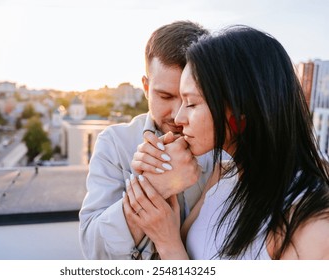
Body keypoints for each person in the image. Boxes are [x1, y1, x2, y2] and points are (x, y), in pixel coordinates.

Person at [124, 25, 329, 259]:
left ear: (241, 108)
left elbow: (174, 250)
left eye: (191, 103)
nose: (179, 119)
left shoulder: (311, 225)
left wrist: (166, 241)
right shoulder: (222, 176)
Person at [79, 21, 212, 259]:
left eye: (190, 99)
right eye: (165, 96)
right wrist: (156, 186)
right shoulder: (115, 143)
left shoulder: (226, 148)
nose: (177, 114)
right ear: (146, 86)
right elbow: (95, 252)